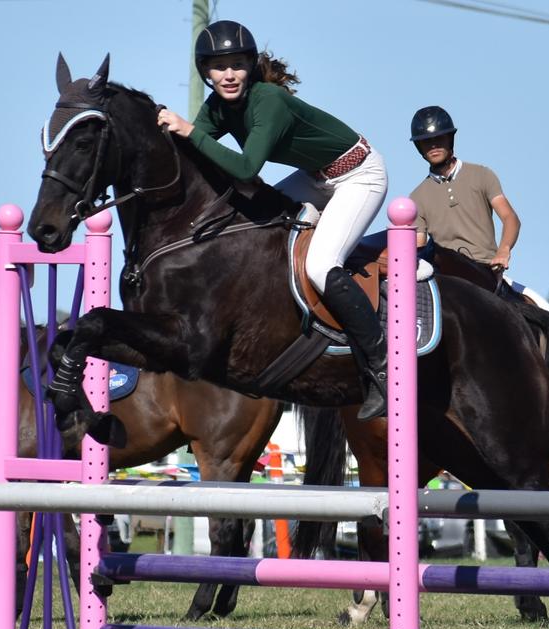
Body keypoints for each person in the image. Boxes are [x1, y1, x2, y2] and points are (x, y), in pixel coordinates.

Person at [157, 20, 390, 420]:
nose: (228, 75)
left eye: (237, 65)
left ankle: (381, 366)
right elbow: (195, 153)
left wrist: (190, 130)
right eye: (218, 67)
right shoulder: (217, 106)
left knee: (320, 265)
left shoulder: (268, 101)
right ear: (205, 74)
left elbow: (247, 168)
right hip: (317, 179)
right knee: (259, 219)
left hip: (359, 175)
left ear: (250, 66)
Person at [408, 106, 521, 276]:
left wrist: (503, 251)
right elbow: (419, 246)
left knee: (535, 303)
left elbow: (510, 217)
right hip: (447, 277)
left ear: (450, 139)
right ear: (419, 147)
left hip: (486, 269)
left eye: (439, 138)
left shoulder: (482, 174)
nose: (433, 145)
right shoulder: (416, 198)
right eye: (426, 141)